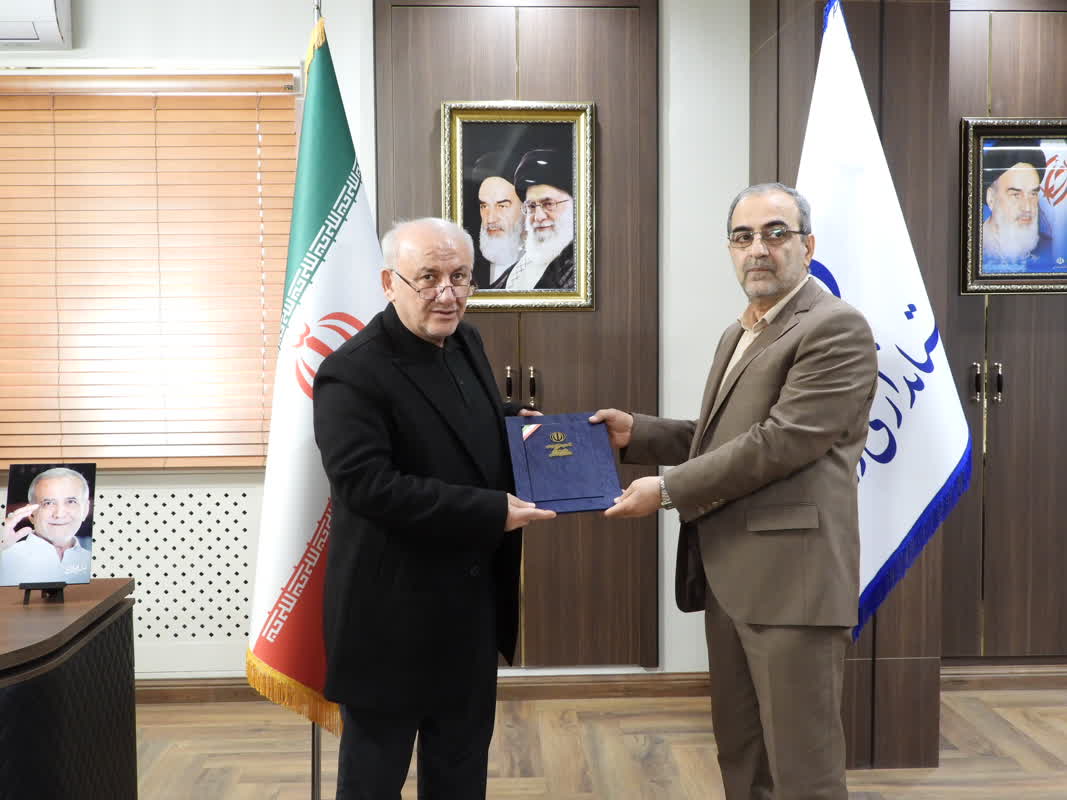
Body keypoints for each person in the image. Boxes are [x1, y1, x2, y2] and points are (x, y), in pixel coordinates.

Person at [592, 183, 878, 800]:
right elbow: (724, 437)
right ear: (730, 249)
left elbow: (780, 443)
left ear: (808, 246)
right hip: (733, 577)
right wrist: (637, 433)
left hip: (794, 586)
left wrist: (667, 488)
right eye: (743, 237)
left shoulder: (836, 327)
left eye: (776, 234)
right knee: (743, 759)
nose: (758, 250)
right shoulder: (741, 331)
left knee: (803, 771)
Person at [312, 217, 555, 799]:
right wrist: (490, 511)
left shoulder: (465, 340)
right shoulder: (350, 371)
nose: (447, 294)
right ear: (389, 283)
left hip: (467, 610)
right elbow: (368, 486)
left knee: (460, 775)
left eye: (460, 277)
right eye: (427, 278)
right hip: (389, 620)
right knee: (373, 782)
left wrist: (515, 425)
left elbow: (457, 421)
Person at [493, 148, 576, 291]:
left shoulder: (582, 266)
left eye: (548, 204)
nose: (538, 217)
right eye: (531, 206)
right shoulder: (522, 265)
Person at [0, 466, 92, 585]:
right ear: (31, 514)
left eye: (71, 502)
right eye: (48, 503)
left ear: (85, 510)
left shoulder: (92, 561)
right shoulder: (6, 556)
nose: (59, 514)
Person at [982, 140, 1050, 271]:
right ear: (991, 198)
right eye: (1016, 195)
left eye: (1033, 194)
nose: (1027, 208)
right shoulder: (974, 244)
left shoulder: (1049, 247)